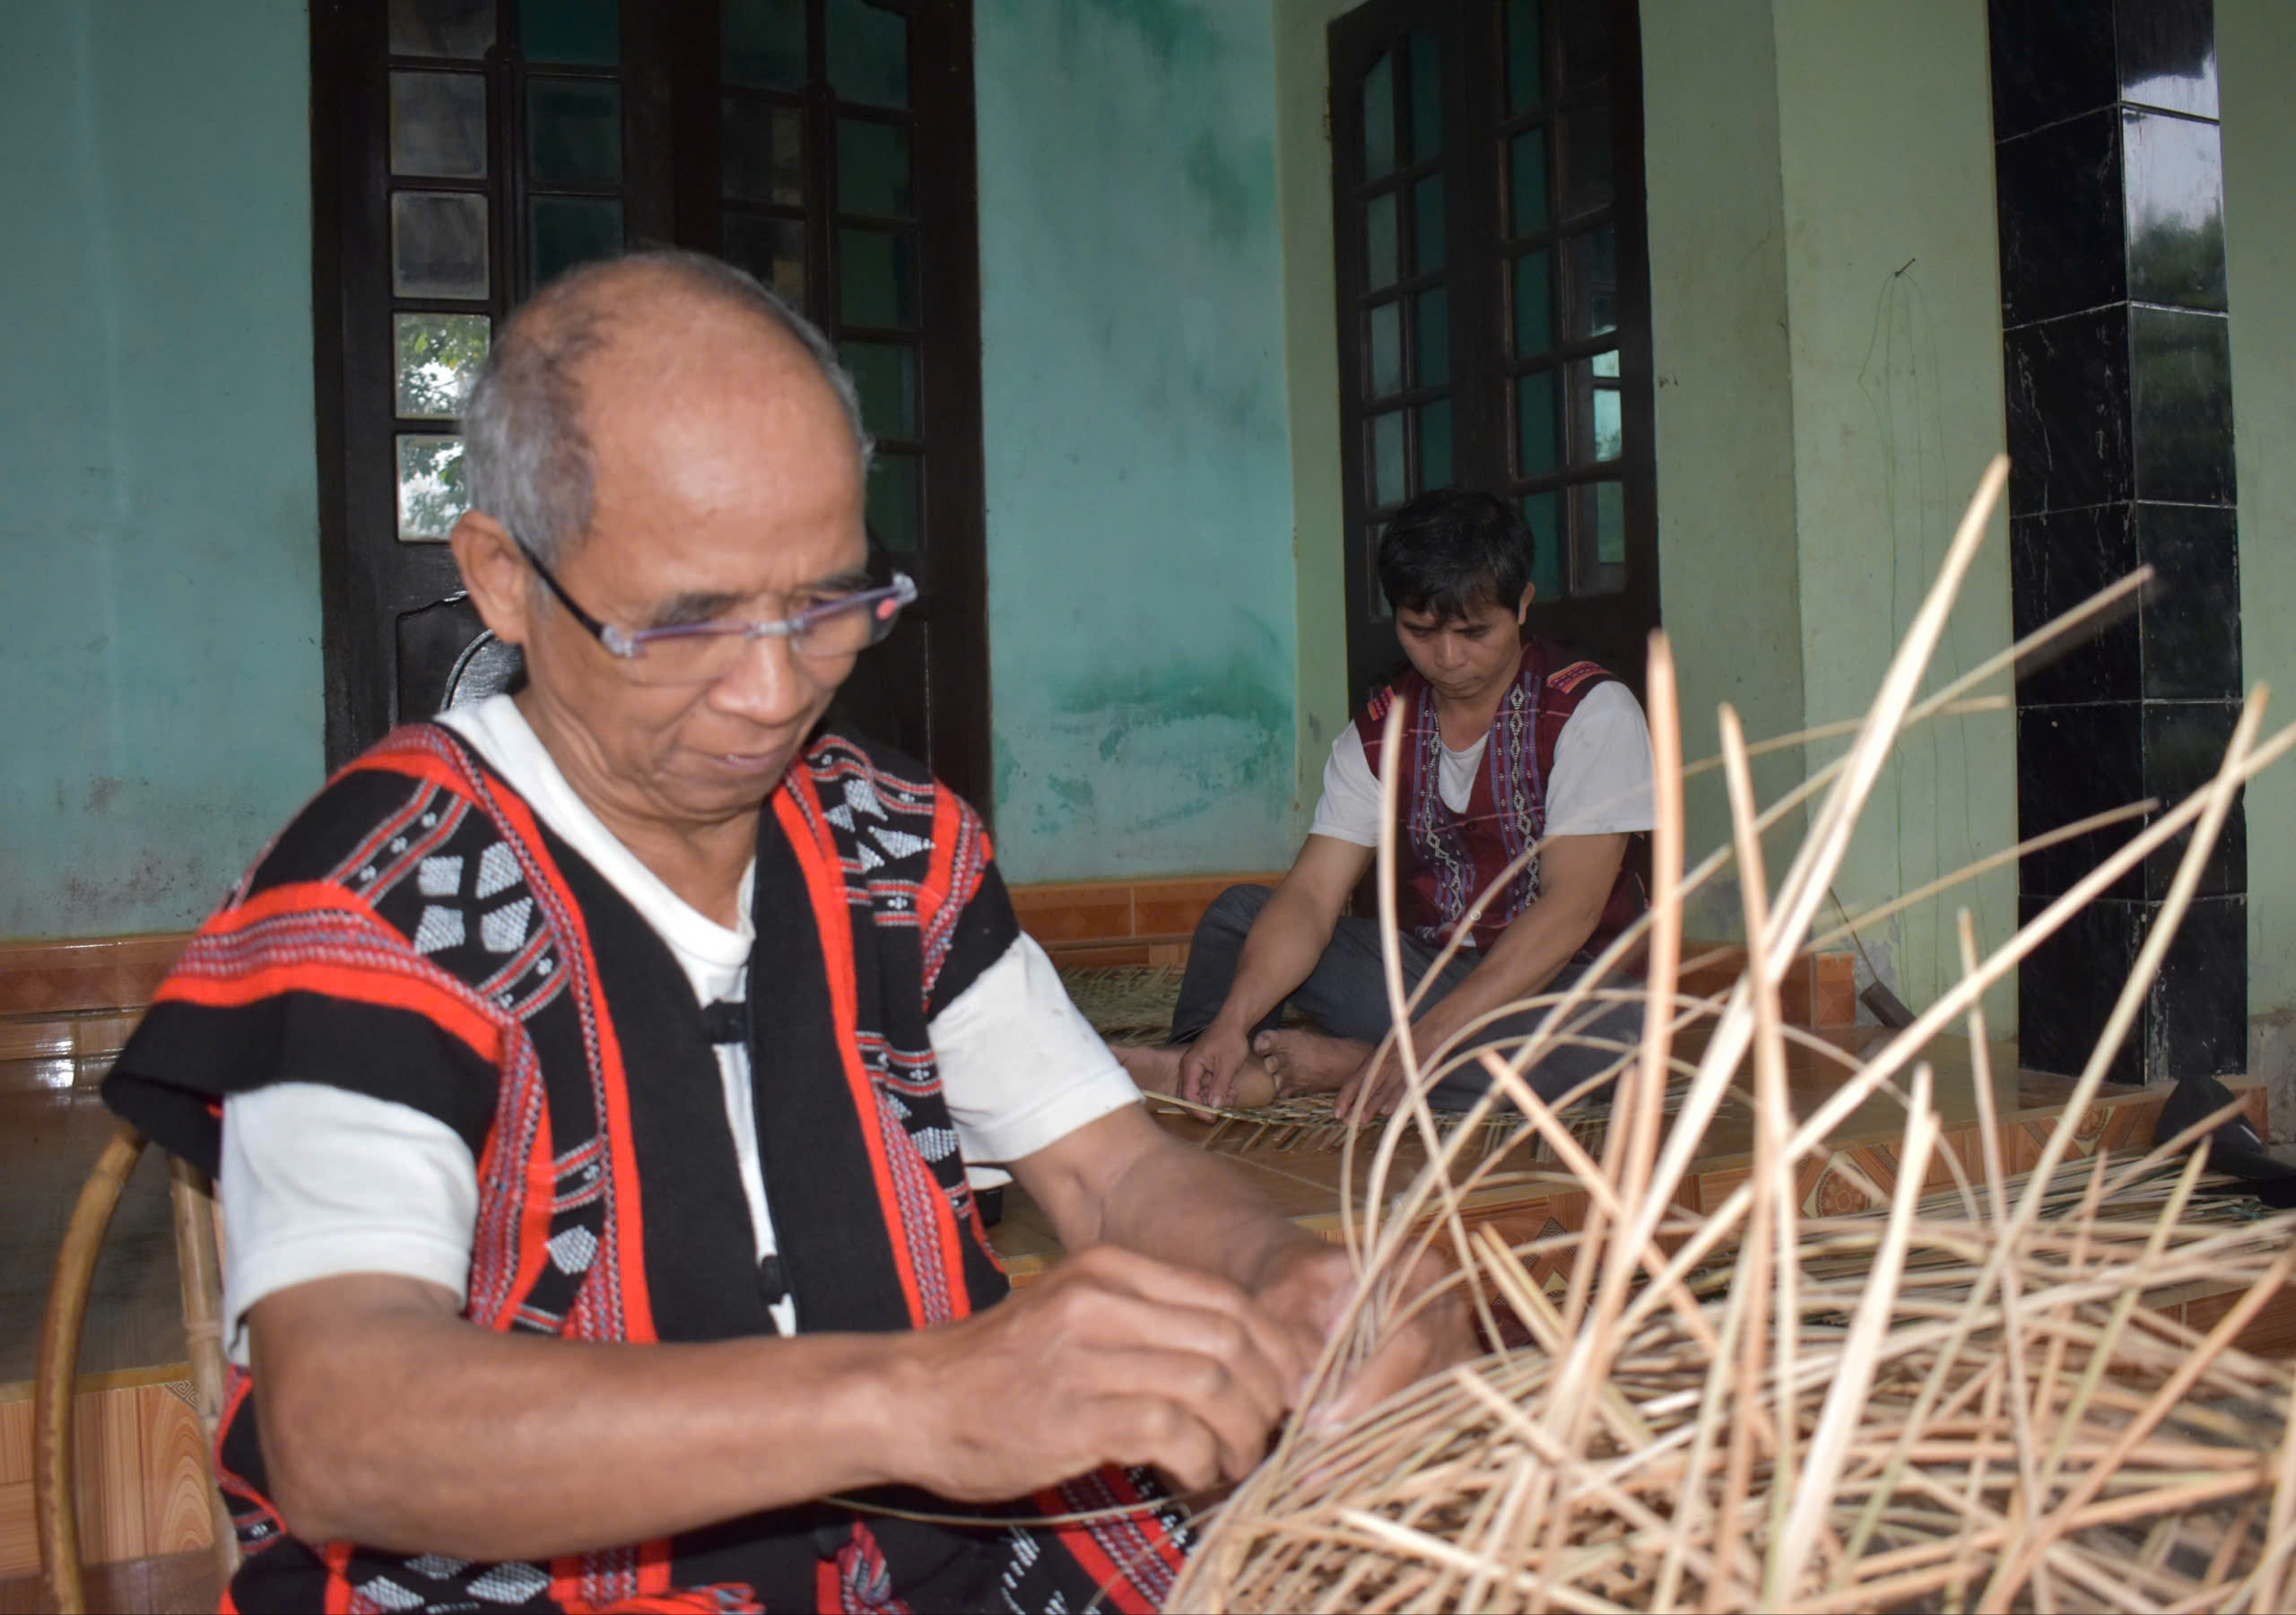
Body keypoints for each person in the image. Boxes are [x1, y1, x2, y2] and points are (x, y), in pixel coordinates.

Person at [102, 251, 1465, 1614]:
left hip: (939, 1563)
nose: (771, 692)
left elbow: (1110, 1173)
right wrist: (916, 1397)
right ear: (504, 580)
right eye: (687, 623)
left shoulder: (895, 846)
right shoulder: (377, 894)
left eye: (826, 604)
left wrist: (1294, 1279)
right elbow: (352, 1427)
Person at [1117, 491, 1654, 1120]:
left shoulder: (1590, 712)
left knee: (1611, 1049)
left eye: (1474, 632)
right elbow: (1315, 897)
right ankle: (1213, 1062)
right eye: (1420, 631)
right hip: (1427, 979)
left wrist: (1424, 1039)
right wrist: (1234, 1018)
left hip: (1569, 988)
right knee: (1243, 917)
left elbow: (1572, 909)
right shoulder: (1379, 731)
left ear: (1524, 605)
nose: (1448, 658)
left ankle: (1346, 1066)